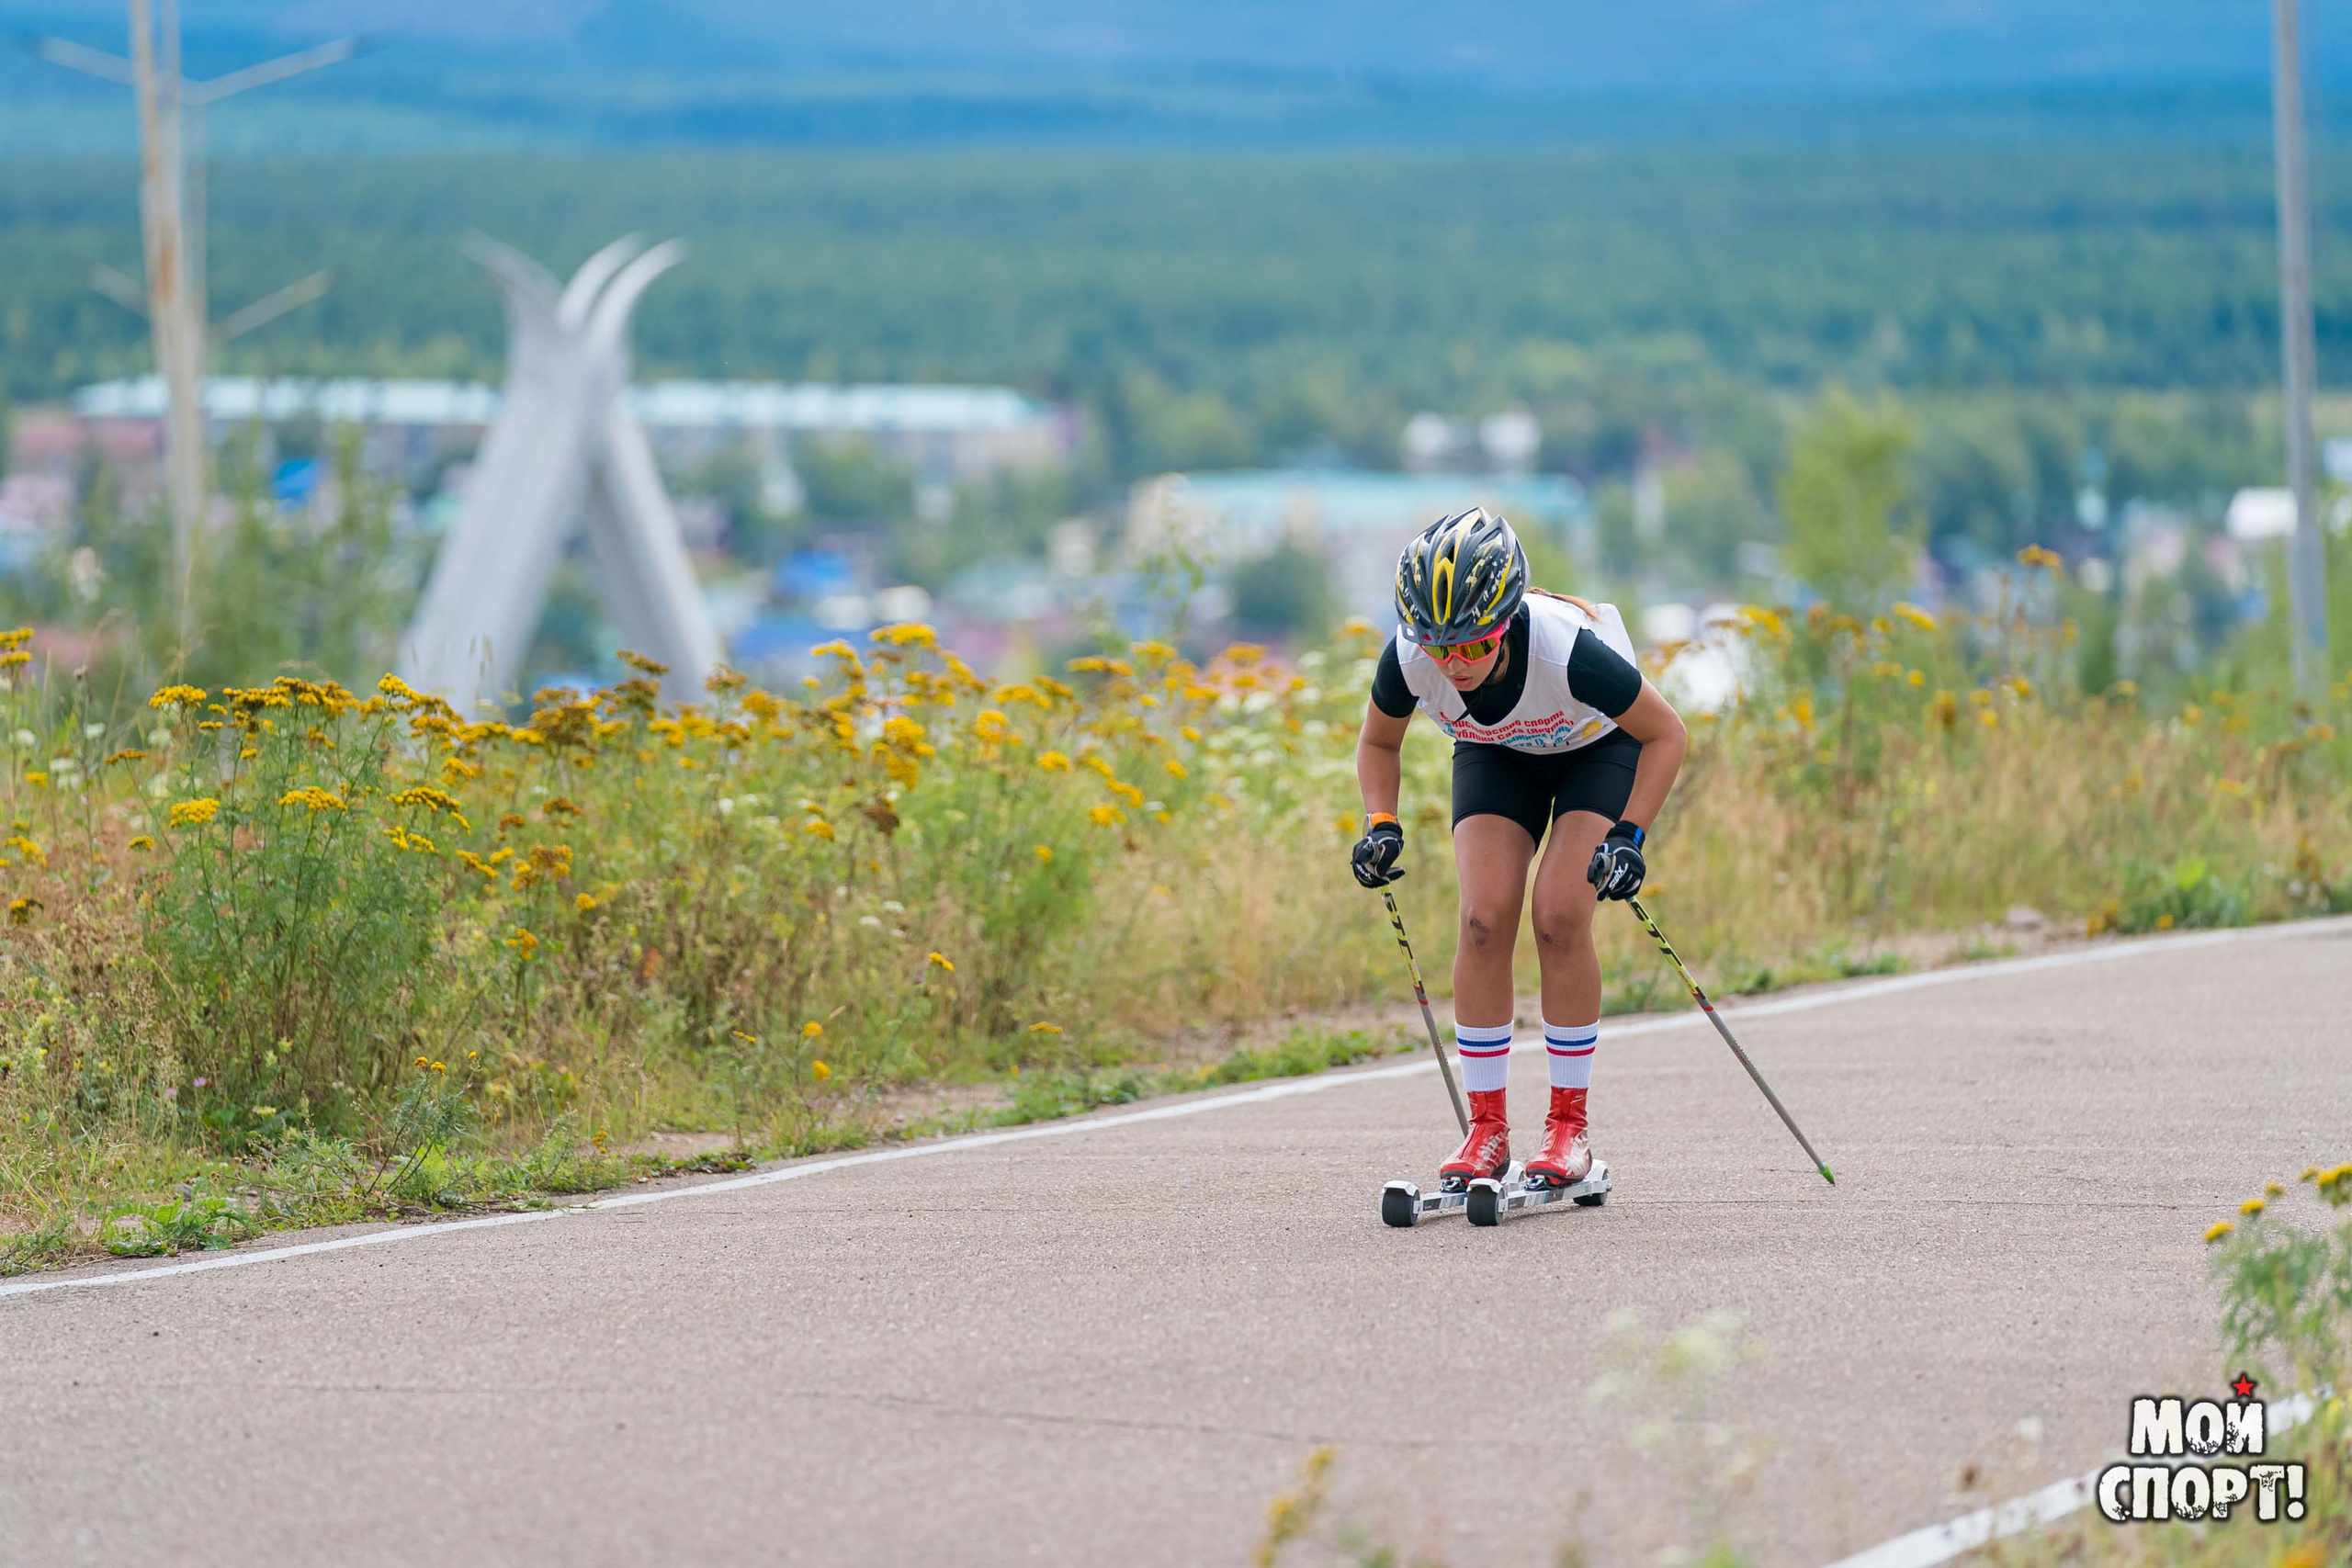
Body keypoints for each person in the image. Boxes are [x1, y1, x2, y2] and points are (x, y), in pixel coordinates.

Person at [1351, 506, 1687, 1190]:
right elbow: (1379, 742)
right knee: (1483, 919)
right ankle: (1486, 1129)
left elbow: (1666, 734)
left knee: (1559, 913)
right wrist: (1380, 821)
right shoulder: (1411, 659)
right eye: (1439, 647)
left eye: (1473, 645)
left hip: (1598, 750)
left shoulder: (1568, 652)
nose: (1455, 663)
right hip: (1496, 754)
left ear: (1504, 622)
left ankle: (1568, 1128)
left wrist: (1630, 835)